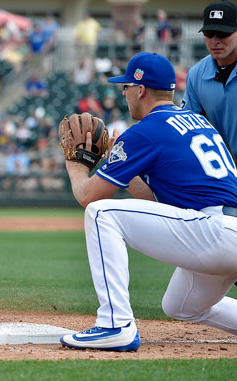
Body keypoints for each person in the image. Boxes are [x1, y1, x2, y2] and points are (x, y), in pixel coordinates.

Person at [60, 52, 237, 352]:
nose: (124, 93)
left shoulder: (145, 131)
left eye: (126, 87)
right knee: (181, 305)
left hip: (216, 231)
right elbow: (161, 204)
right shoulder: (196, 120)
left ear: (139, 89)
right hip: (220, 230)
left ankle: (114, 325)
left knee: (101, 213)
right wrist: (124, 171)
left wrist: (75, 167)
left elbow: (88, 197)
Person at [182, 1, 237, 157]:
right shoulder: (196, 74)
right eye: (209, 33)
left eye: (223, 33)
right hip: (225, 163)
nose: (215, 41)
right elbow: (188, 127)